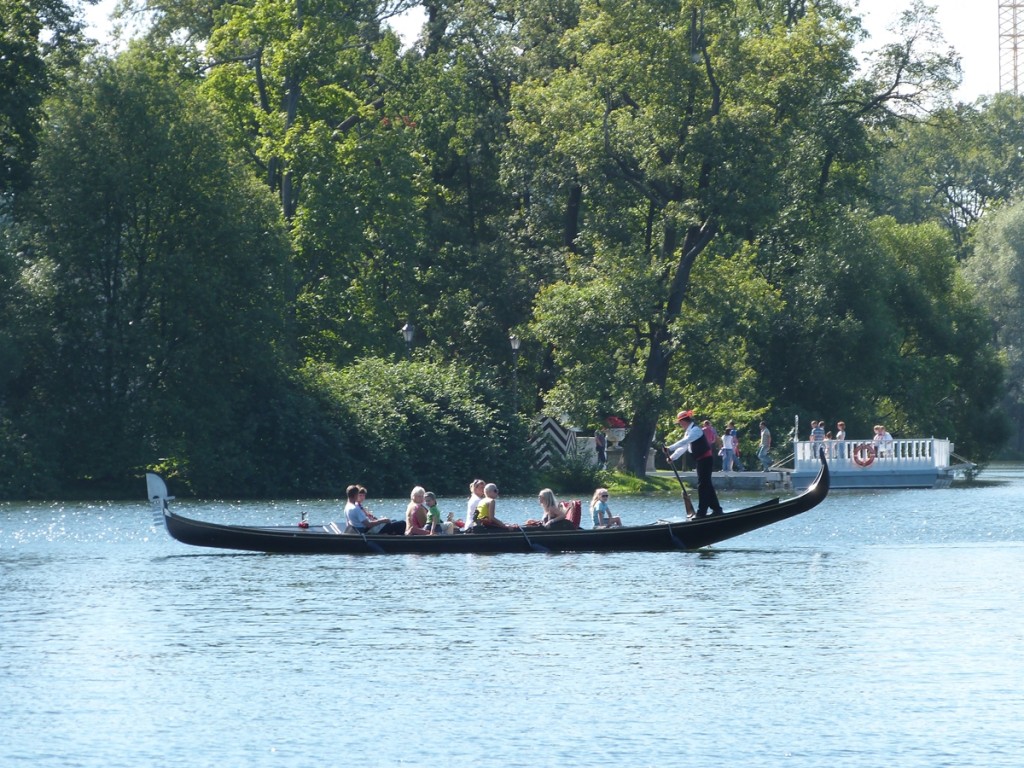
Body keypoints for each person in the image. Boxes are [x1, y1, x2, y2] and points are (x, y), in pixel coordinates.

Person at [667, 410, 722, 517]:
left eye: (680, 423)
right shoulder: (688, 431)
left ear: (684, 421)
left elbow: (685, 441)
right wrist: (673, 457)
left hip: (706, 460)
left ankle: (702, 512)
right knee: (707, 485)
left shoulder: (696, 430)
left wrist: (669, 448)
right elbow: (683, 447)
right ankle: (717, 509)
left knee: (702, 486)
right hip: (701, 460)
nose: (680, 425)